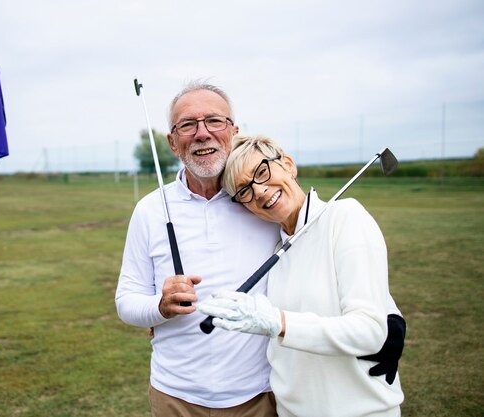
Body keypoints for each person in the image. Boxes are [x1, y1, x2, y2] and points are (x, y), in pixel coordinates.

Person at [115, 81, 405, 416]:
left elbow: (334, 249)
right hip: (174, 395)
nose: (202, 133)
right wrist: (159, 307)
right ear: (172, 142)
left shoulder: (264, 208)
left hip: (258, 397)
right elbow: (127, 300)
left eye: (214, 121)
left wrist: (391, 316)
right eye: (188, 125)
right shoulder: (152, 210)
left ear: (233, 130)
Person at [198, 134, 405, 417]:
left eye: (262, 172)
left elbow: (369, 331)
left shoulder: (345, 217)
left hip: (361, 411)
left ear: (289, 165)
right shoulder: (274, 250)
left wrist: (279, 323)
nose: (258, 191)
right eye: (244, 190)